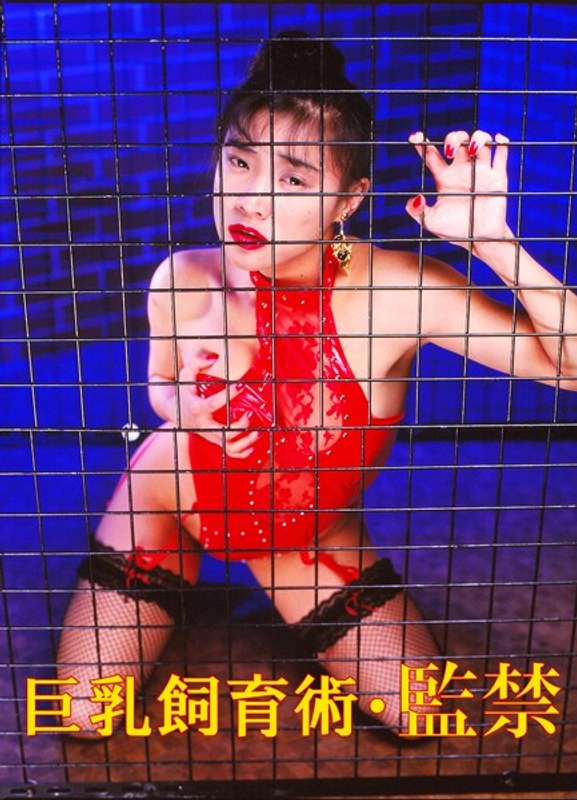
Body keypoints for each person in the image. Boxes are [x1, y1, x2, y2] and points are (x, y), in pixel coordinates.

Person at [56, 31, 577, 739]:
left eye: (294, 180)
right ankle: (172, 581)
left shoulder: (398, 292)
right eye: (239, 160)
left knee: (418, 713)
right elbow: (160, 385)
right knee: (83, 716)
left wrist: (493, 245)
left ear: (348, 199)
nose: (250, 200)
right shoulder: (184, 276)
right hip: (169, 501)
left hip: (303, 531)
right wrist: (187, 412)